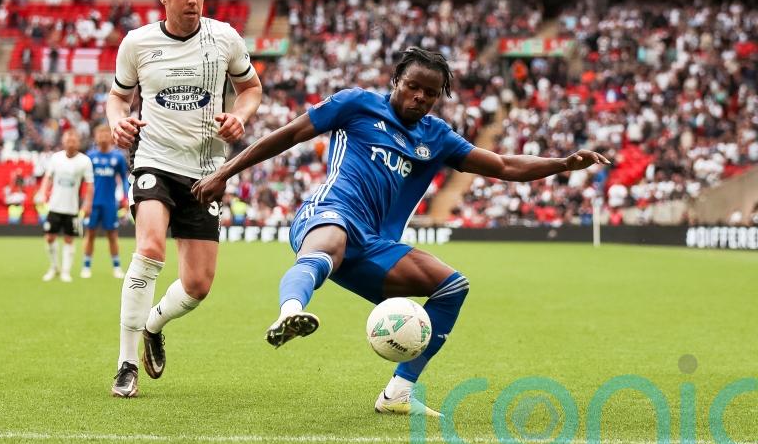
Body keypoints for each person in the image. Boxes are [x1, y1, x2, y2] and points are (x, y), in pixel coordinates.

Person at [193, 47, 609, 416]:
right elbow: (287, 136)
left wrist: (561, 163)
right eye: (413, 87)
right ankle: (289, 314)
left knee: (452, 287)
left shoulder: (437, 137)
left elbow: (501, 166)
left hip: (376, 246)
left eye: (430, 93)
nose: (420, 98)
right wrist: (226, 172)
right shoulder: (356, 105)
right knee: (330, 243)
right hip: (328, 214)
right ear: (397, 80)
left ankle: (399, 392)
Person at [106, 0, 262, 398]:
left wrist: (240, 116)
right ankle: (126, 362)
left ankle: (154, 324)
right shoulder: (136, 43)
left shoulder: (225, 38)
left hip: (206, 172)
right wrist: (118, 121)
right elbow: (117, 98)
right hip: (154, 159)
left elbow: (251, 89)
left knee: (198, 285)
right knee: (150, 247)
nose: (193, 0)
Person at [35, 128, 94, 283]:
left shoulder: (85, 161)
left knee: (69, 239)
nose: (70, 143)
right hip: (54, 206)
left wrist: (87, 204)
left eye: (74, 140)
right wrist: (42, 192)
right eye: (68, 140)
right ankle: (54, 267)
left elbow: (89, 185)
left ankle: (66, 271)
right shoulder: (56, 158)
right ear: (63, 141)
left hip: (72, 208)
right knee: (49, 237)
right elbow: (48, 178)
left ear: (78, 143)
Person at [81, 124, 130, 279]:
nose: (102, 137)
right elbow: (83, 180)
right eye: (100, 134)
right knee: (90, 234)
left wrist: (126, 197)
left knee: (112, 235)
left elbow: (124, 179)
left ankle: (116, 267)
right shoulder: (90, 156)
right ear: (95, 137)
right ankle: (86, 266)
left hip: (110, 203)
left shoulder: (118, 158)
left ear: (111, 136)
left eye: (105, 134)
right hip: (93, 203)